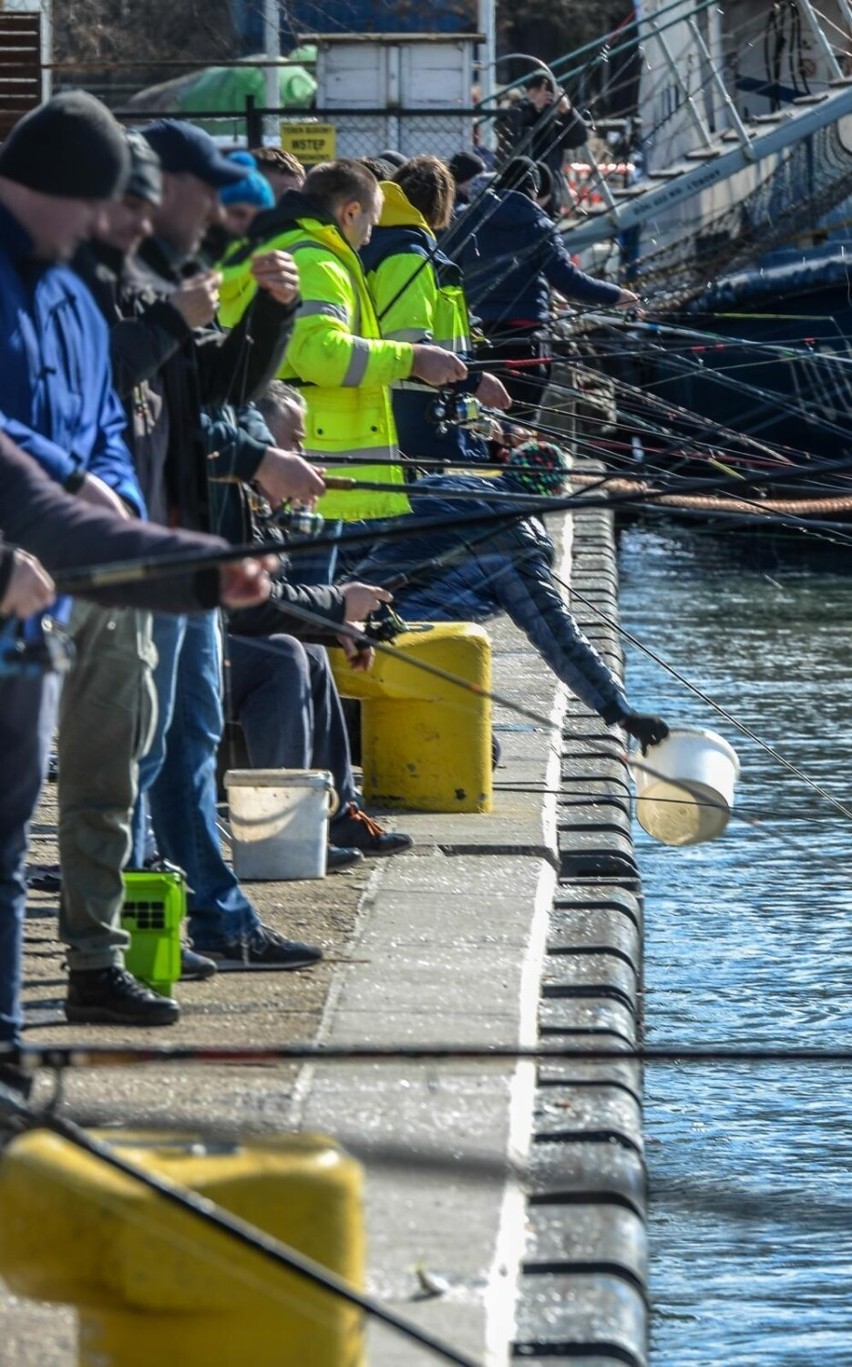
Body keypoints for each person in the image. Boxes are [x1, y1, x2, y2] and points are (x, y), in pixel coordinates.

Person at [0, 90, 199, 1027]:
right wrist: (72, 483)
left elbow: (105, 427)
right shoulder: (36, 276)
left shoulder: (97, 287)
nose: (127, 222)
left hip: (102, 572)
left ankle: (91, 958)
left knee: (113, 759)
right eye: (116, 203)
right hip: (23, 572)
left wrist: (112, 495)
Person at [0, 428, 275, 1080]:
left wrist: (194, 570)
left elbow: (56, 502)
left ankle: (59, 996)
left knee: (95, 785)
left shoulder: (96, 335)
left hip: (84, 581)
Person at [127, 117, 329, 971]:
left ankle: (200, 908)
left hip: (191, 546)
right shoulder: (122, 276)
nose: (220, 206)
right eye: (206, 188)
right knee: (145, 742)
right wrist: (253, 459)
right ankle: (148, 921)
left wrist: (274, 317)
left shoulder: (172, 274)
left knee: (192, 729)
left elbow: (219, 384)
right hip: (139, 550)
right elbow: (103, 389)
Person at [352, 442, 670, 753]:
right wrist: (620, 712)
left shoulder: (437, 484)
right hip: (400, 649)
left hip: (344, 622)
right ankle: (355, 728)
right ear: (556, 494)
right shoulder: (521, 543)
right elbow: (558, 635)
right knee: (480, 753)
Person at [223, 379, 414, 861]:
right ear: (258, 440)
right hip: (174, 645)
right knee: (284, 656)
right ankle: (283, 831)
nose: (302, 457)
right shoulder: (225, 497)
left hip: (208, 636)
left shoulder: (252, 499)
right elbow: (245, 604)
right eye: (293, 443)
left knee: (309, 653)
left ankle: (337, 814)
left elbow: (261, 602)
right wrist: (335, 605)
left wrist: (336, 625)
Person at [218, 157, 468, 523]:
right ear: (351, 213)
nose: (371, 235)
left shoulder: (290, 245)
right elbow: (322, 355)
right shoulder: (318, 260)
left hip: (302, 468)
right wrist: (412, 359)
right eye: (371, 221)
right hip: (322, 480)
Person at [453, 156, 639, 420]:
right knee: (521, 420)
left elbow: (447, 269)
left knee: (486, 421)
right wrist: (616, 295)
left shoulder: (466, 219)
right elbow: (567, 279)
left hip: (478, 334)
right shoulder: (540, 225)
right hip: (527, 336)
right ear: (534, 190)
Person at [361, 154, 511, 467]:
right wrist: (475, 381)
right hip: (413, 419)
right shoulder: (407, 256)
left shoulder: (390, 244)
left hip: (424, 409)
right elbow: (409, 347)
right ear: (443, 206)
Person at [498, 72, 589, 215]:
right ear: (531, 91)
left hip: (549, 195)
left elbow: (579, 138)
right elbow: (505, 128)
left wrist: (568, 112)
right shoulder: (517, 109)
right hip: (519, 191)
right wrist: (535, 108)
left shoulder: (556, 120)